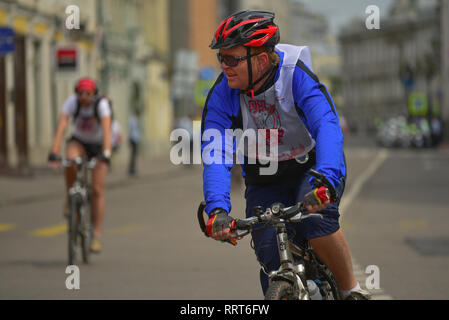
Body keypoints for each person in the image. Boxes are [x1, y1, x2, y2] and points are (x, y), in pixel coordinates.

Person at [201, 10, 370, 300]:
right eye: (221, 59)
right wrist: (217, 210)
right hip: (264, 175)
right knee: (269, 255)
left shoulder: (295, 74)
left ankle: (350, 290)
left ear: (262, 59)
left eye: (232, 59)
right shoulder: (223, 92)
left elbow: (327, 125)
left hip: (311, 167)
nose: (225, 66)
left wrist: (327, 180)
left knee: (317, 224)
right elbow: (216, 149)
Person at [48, 77, 112, 253]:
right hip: (79, 142)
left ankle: (96, 236)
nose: (84, 97)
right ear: (76, 93)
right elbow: (62, 125)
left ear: (94, 94)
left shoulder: (101, 105)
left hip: (98, 145)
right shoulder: (71, 102)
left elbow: (107, 130)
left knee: (98, 189)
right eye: (81, 93)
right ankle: (71, 197)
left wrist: (106, 153)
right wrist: (54, 150)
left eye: (88, 93)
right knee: (70, 159)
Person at [128, 109, 141, 176]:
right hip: (133, 139)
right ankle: (131, 169)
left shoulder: (136, 119)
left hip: (135, 139)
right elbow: (130, 130)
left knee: (134, 155)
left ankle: (133, 169)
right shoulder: (132, 119)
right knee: (133, 155)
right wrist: (130, 139)